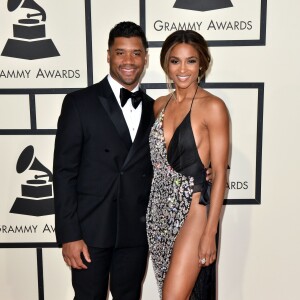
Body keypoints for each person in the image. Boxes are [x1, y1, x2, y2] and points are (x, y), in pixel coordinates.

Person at [53, 21, 154, 300]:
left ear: (145, 57)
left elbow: (163, 164)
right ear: (108, 55)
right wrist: (69, 235)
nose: (128, 61)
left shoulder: (154, 108)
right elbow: (64, 173)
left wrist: (202, 172)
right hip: (89, 232)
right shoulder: (79, 103)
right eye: (120, 52)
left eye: (136, 53)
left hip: (134, 231)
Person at [146, 30, 229, 299]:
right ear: (165, 64)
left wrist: (210, 232)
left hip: (193, 212)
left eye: (191, 61)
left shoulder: (213, 107)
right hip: (157, 215)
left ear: (202, 64)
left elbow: (219, 176)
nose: (183, 69)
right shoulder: (159, 106)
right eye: (175, 61)